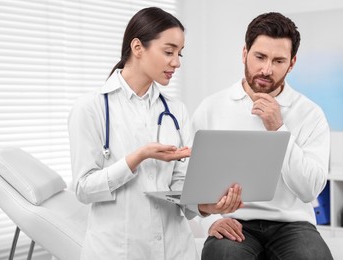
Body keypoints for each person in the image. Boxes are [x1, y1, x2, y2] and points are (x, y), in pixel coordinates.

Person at [68, 7, 243, 260]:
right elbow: (84, 189)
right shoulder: (91, 108)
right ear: (138, 47)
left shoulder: (175, 110)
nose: (177, 62)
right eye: (169, 51)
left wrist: (208, 207)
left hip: (175, 250)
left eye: (180, 53)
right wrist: (137, 158)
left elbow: (181, 185)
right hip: (117, 250)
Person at [191, 12, 333, 260]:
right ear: (244, 53)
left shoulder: (310, 113)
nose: (266, 69)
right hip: (234, 219)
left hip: (293, 224)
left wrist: (278, 128)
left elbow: (309, 190)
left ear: (292, 63)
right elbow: (190, 180)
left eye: (278, 61)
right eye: (260, 57)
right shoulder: (211, 107)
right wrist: (210, 222)